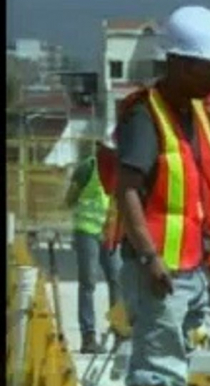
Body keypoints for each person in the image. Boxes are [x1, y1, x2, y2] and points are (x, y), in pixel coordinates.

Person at [113, 6, 210, 386]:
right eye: (209, 67)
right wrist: (149, 256)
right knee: (158, 368)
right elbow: (126, 189)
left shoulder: (197, 114)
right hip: (159, 269)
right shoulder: (145, 116)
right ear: (180, 63)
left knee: (176, 356)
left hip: (191, 265)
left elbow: (202, 193)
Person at [64, 135, 121, 354]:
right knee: (88, 282)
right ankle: (88, 337)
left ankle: (119, 333)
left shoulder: (120, 170)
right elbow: (70, 199)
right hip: (87, 231)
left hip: (109, 232)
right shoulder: (87, 168)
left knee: (117, 280)